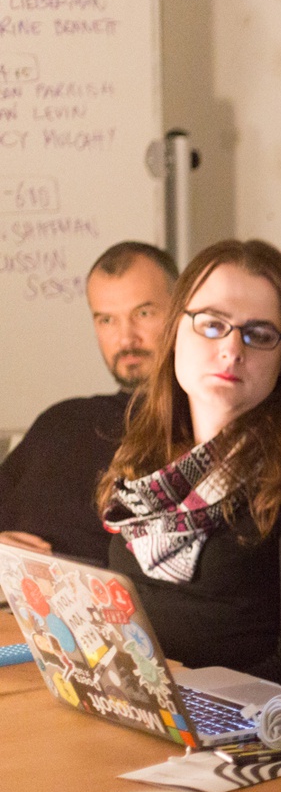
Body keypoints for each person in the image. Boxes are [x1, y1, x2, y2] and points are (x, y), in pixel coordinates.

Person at [100, 239, 281, 697]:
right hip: (138, 718)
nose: (231, 350)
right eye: (212, 325)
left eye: (259, 334)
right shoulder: (144, 458)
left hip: (243, 745)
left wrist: (172, 699)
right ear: (176, 332)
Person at [0, 242, 177, 565]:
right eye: (106, 320)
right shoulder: (61, 420)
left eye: (143, 313)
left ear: (180, 311)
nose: (126, 338)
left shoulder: (197, 429)